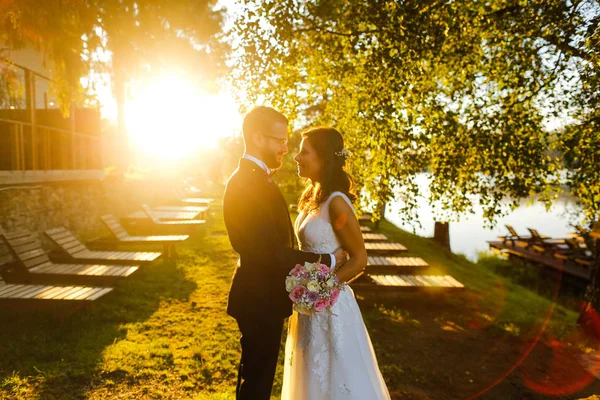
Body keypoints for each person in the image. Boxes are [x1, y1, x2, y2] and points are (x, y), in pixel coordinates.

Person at [222, 107, 347, 400]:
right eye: (279, 140)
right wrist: (329, 260)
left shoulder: (256, 178)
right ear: (256, 138)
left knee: (257, 378)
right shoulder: (248, 183)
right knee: (256, 383)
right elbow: (269, 253)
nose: (285, 148)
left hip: (261, 296)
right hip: (258, 298)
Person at [281, 126, 391, 399]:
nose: (296, 157)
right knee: (309, 376)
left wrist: (320, 289)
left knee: (336, 379)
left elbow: (360, 259)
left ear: (324, 158)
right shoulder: (312, 197)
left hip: (330, 307)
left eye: (304, 151)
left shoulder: (337, 202)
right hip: (308, 305)